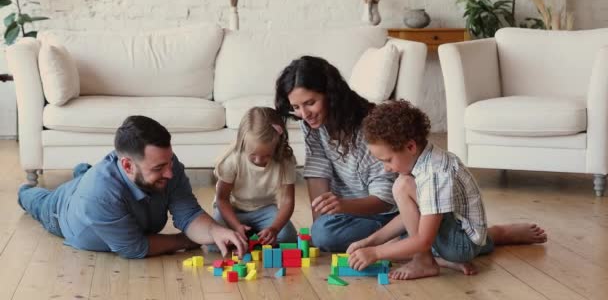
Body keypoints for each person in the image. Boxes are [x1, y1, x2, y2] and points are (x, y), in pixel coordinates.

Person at [346, 100, 548, 280]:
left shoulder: (433, 174)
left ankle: (426, 262)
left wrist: (376, 253)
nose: (385, 168)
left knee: (401, 189)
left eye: (387, 160)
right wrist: (370, 241)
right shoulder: (424, 160)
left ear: (410, 147)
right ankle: (495, 235)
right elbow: (416, 215)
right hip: (466, 231)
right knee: (396, 243)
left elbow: (423, 241)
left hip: (461, 244)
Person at [18, 115, 248, 259]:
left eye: (169, 162)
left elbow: (188, 214)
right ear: (127, 165)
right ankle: (27, 192)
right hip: (61, 210)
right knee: (32, 198)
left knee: (91, 178)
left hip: (102, 188)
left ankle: (84, 171)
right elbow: (134, 247)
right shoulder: (98, 197)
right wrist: (187, 241)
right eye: (159, 168)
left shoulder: (167, 164)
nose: (170, 172)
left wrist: (216, 231)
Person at [275, 55, 398, 252]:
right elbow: (318, 171)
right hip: (348, 214)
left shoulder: (370, 126)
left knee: (325, 234)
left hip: (385, 213)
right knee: (323, 231)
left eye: (310, 102)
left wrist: (343, 206)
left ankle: (398, 235)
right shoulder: (312, 124)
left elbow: (384, 199)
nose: (304, 115)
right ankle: (396, 239)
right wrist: (319, 225)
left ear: (330, 94)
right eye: (296, 107)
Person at [212, 107, 298, 246]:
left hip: (265, 209)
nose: (259, 161)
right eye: (252, 156)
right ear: (243, 143)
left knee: (287, 237)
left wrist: (274, 229)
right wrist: (235, 226)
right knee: (213, 242)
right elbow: (222, 199)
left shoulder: (284, 160)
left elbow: (288, 200)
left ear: (277, 146)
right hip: (233, 210)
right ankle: (248, 234)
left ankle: (252, 235)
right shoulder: (232, 160)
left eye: (266, 156)